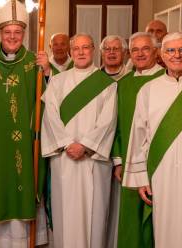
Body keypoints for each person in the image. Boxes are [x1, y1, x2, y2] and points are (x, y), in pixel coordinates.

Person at [0, 0, 50, 247]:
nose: (12, 37)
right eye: (7, 32)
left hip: (25, 143)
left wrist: (47, 73)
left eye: (17, 32)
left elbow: (50, 103)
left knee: (22, 183)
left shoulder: (35, 64)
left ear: (24, 33)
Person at [123, 32, 182, 248]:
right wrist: (142, 177)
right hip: (162, 174)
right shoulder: (148, 90)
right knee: (166, 229)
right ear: (162, 55)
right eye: (170, 50)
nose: (177, 55)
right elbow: (138, 136)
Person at [41, 33, 117, 248]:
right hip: (64, 157)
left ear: (93, 50)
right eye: (76, 48)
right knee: (65, 210)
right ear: (70, 52)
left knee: (95, 212)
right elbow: (50, 116)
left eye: (86, 48)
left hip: (93, 159)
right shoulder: (57, 81)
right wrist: (67, 143)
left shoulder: (107, 84)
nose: (81, 52)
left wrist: (85, 145)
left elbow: (108, 121)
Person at [109, 32, 164, 248]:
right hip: (131, 160)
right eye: (135, 50)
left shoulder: (165, 79)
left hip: (158, 158)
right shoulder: (124, 84)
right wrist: (119, 160)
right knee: (131, 215)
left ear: (156, 51)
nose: (140, 54)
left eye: (145, 48)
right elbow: (118, 125)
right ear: (129, 54)